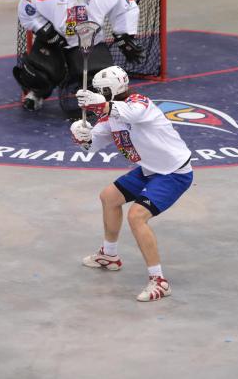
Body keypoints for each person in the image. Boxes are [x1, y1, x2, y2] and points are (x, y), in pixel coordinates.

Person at [69, 66, 193, 301]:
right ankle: (110, 255)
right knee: (109, 197)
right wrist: (82, 137)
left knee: (136, 216)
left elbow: (130, 114)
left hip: (174, 173)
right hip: (149, 169)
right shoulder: (109, 118)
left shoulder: (141, 103)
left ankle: (159, 281)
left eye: (102, 91)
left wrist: (101, 105)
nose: (99, 94)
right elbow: (93, 146)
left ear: (111, 90)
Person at [14, 0, 144, 115]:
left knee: (101, 82)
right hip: (54, 40)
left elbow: (126, 7)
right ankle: (36, 93)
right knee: (37, 75)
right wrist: (45, 29)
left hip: (90, 42)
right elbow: (27, 10)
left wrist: (124, 36)